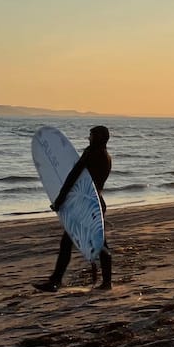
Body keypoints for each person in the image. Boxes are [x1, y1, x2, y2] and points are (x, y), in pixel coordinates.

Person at [33, 125, 114, 292]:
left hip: (83, 206)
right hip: (96, 204)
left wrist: (60, 199)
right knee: (99, 242)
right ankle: (106, 282)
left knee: (68, 242)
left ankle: (55, 281)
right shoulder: (106, 156)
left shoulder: (91, 154)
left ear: (98, 137)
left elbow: (73, 177)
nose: (88, 138)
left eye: (91, 135)